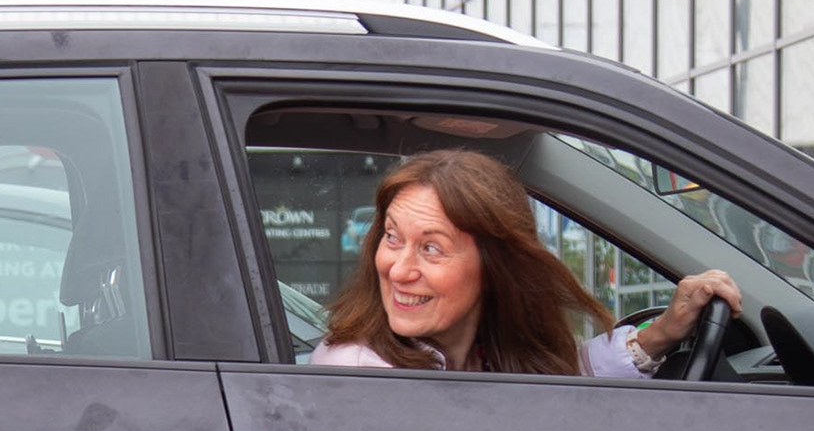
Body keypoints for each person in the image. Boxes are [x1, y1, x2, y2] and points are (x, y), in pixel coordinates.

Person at [307, 148, 739, 377]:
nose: (398, 270)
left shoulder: (482, 352)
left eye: (431, 248)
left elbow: (556, 377)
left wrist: (660, 334)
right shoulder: (360, 376)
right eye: (392, 238)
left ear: (495, 268)